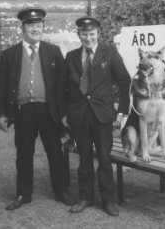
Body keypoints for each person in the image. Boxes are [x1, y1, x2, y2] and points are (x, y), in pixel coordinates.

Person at [0, 7, 73, 210]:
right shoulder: (9, 55)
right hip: (23, 112)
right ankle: (23, 194)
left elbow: (64, 86)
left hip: (49, 111)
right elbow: (1, 87)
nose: (35, 29)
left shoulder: (53, 52)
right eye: (31, 25)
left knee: (56, 152)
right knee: (24, 154)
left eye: (39, 25)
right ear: (23, 28)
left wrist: (64, 114)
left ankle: (61, 191)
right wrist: (1, 114)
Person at [61, 16, 130, 216]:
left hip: (102, 116)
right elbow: (65, 89)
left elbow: (124, 82)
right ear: (79, 35)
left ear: (98, 33)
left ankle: (108, 200)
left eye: (92, 34)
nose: (88, 38)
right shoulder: (71, 56)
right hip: (79, 116)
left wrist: (122, 111)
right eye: (84, 34)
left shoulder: (110, 52)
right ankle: (85, 197)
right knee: (83, 158)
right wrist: (66, 113)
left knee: (104, 158)